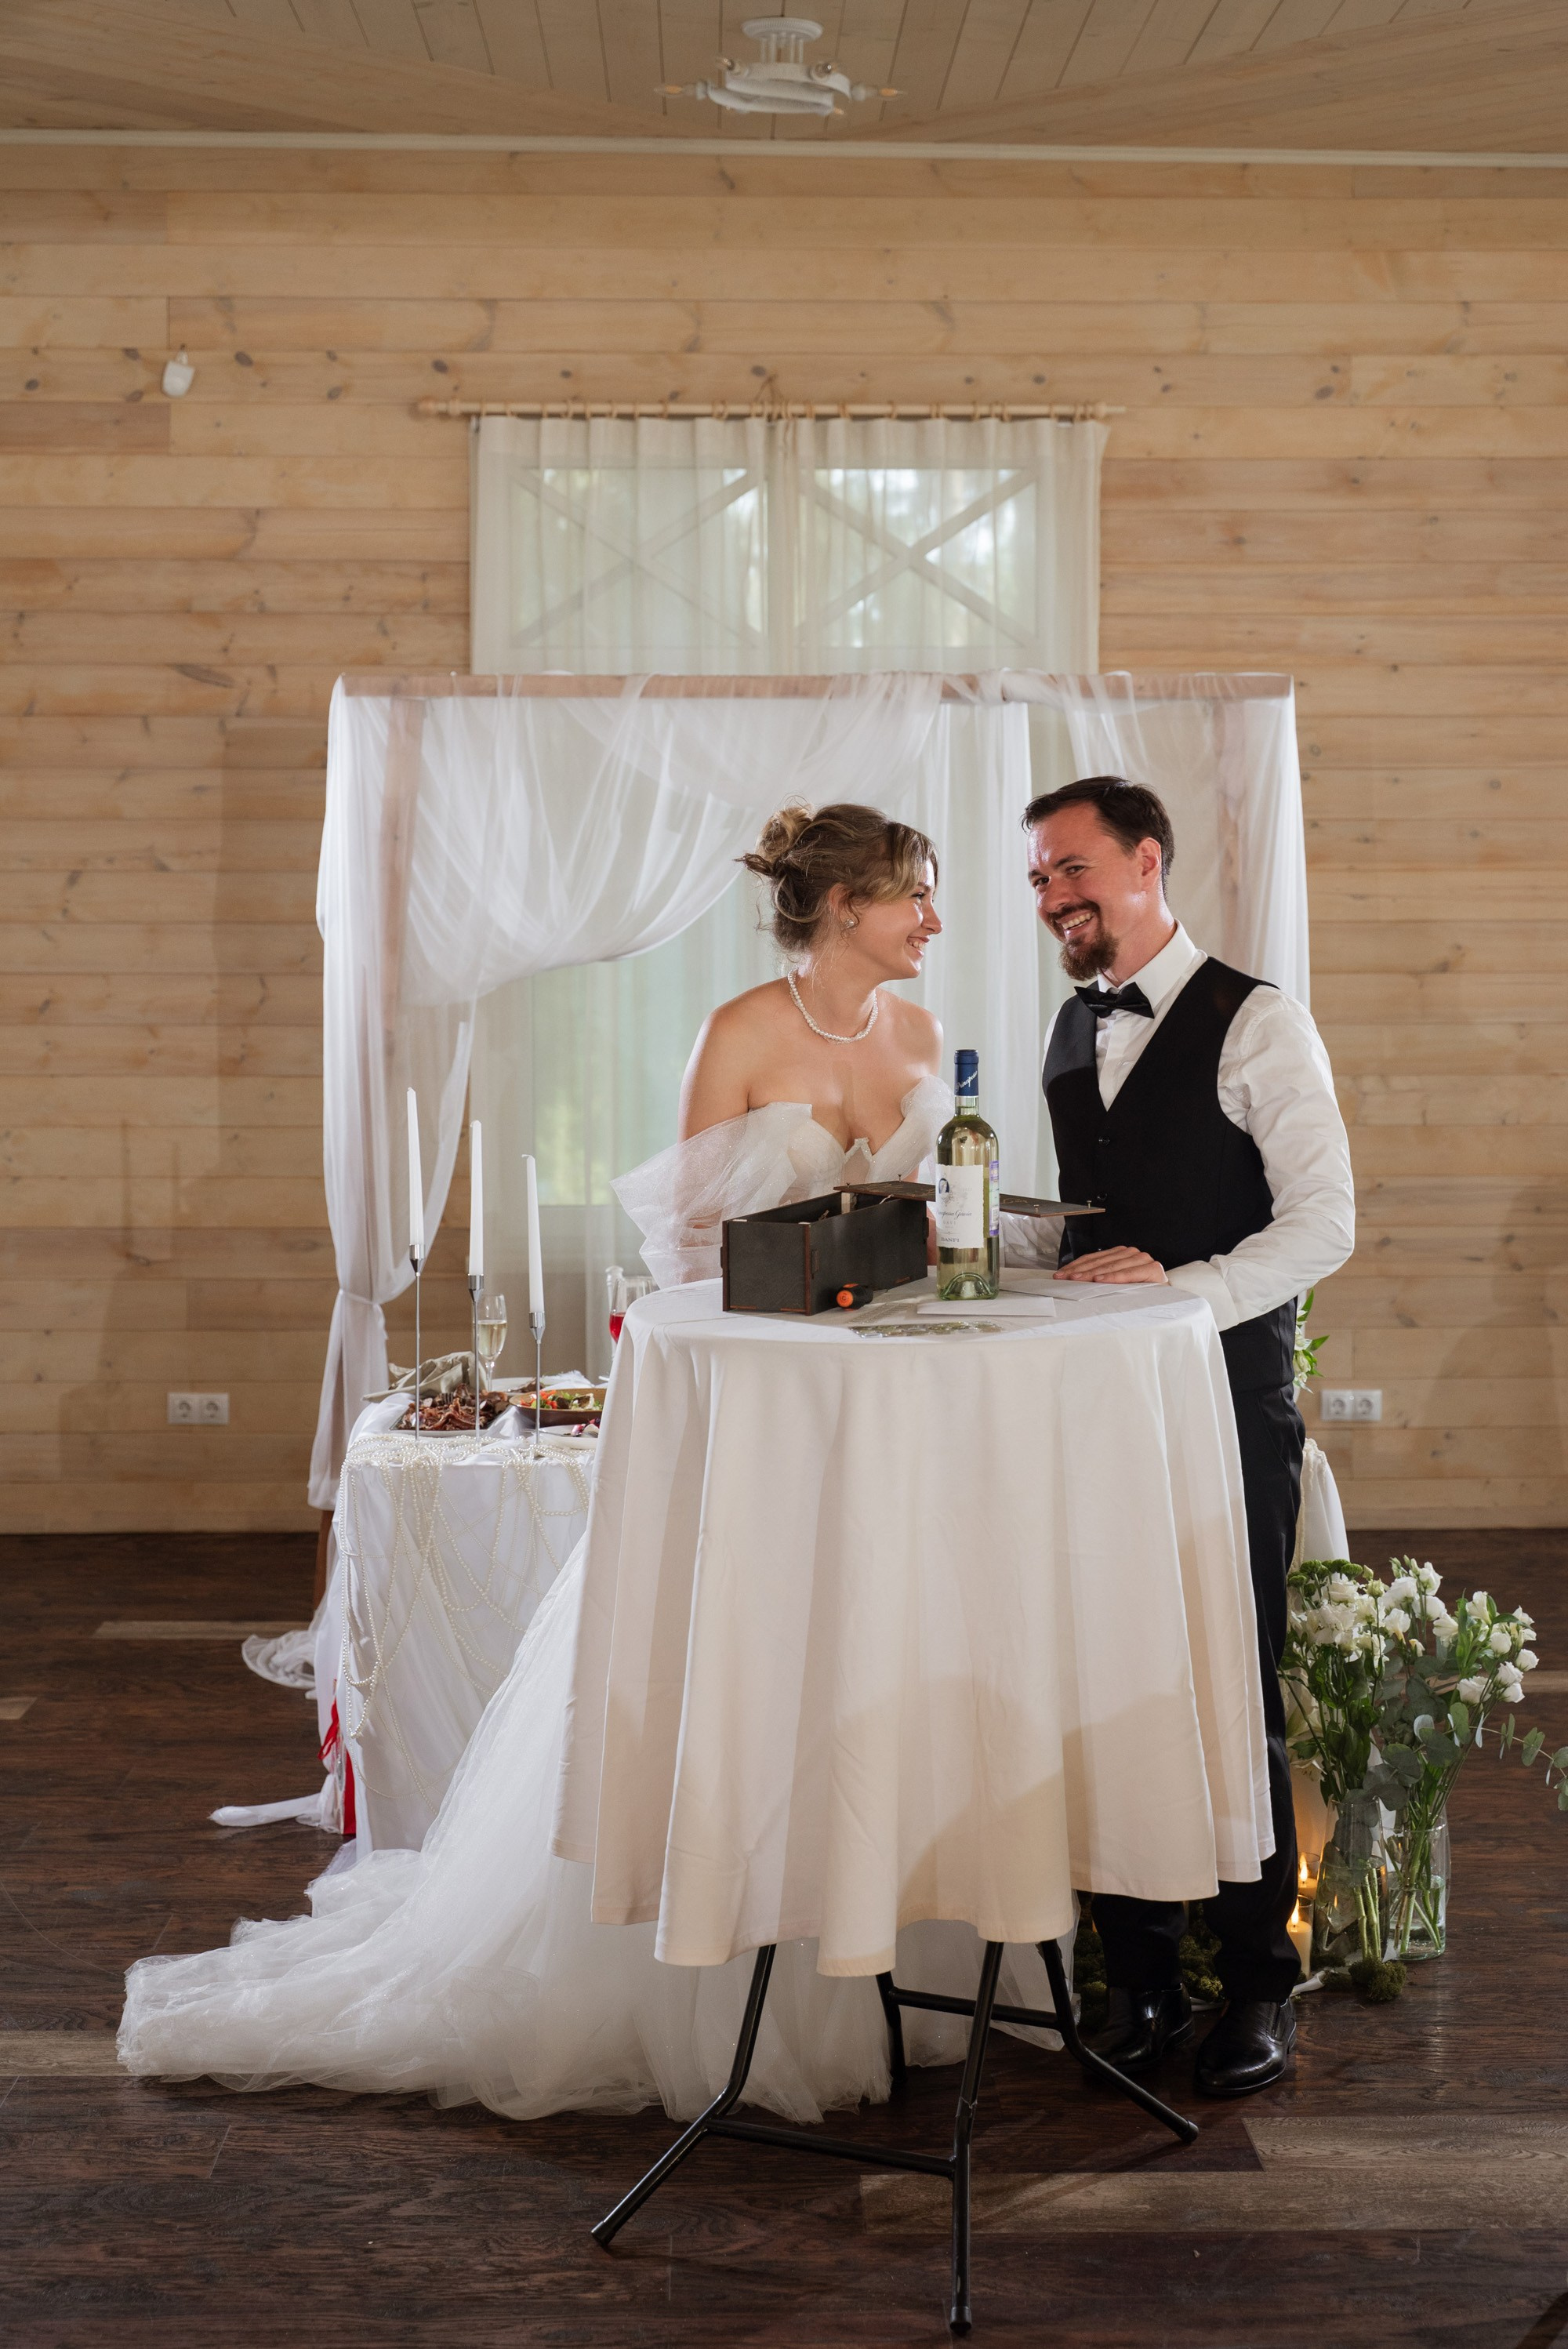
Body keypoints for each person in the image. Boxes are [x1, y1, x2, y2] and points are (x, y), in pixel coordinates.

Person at [117, 803, 997, 2126]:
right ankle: (717, 1957)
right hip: (762, 1400)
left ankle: (875, 1931)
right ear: (842, 906)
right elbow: (691, 1254)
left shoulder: (924, 1036)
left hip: (887, 1412)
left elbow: (930, 1226)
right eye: (913, 896)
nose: (935, 919)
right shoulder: (740, 1036)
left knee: (867, 1652)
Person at [1019, 775, 1355, 2098]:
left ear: (1148, 861)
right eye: (1040, 879)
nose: (1054, 897)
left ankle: (1256, 1985)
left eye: (1073, 869)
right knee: (1106, 1686)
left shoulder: (1260, 1021)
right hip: (1093, 1413)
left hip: (1222, 1402)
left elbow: (1323, 1225)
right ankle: (1142, 1981)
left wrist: (1187, 1296)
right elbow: (1099, 1223)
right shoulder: (1065, 1026)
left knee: (1228, 1685)